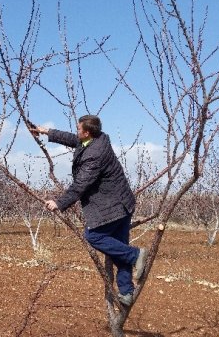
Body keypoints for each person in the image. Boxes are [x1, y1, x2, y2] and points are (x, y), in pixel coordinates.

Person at [29, 115, 149, 306]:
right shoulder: (98, 137)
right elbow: (73, 139)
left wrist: (59, 203)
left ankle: (137, 256)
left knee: (94, 236)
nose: (77, 132)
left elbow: (80, 186)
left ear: (87, 132)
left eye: (79, 129)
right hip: (123, 202)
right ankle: (127, 292)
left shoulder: (95, 155)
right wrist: (45, 132)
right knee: (120, 248)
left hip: (113, 206)